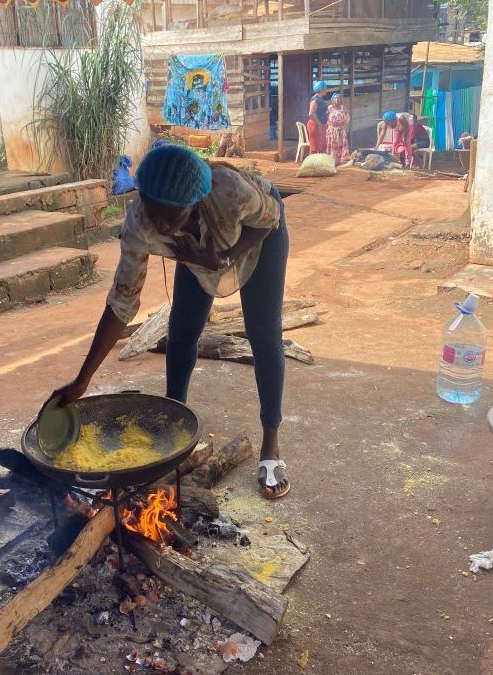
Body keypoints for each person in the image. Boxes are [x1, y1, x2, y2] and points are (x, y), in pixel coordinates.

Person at [48, 145, 291, 499]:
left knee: (263, 332)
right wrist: (82, 379)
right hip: (196, 251)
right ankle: (173, 433)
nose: (159, 224)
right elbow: (122, 301)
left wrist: (223, 257)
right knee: (180, 334)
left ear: (194, 202)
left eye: (169, 216)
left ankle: (271, 444)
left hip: (258, 237)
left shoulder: (228, 190)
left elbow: (270, 220)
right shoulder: (141, 220)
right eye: (153, 209)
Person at [325, 93, 350, 165]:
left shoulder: (343, 108)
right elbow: (325, 116)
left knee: (341, 144)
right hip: (332, 130)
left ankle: (339, 161)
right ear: (332, 100)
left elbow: (347, 117)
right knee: (333, 144)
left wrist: (344, 124)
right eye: (335, 98)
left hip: (341, 130)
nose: (337, 100)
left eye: (338, 98)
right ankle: (332, 160)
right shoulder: (330, 108)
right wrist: (330, 124)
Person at [306, 80, 328, 154]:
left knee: (321, 146)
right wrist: (319, 124)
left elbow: (319, 111)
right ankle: (312, 164)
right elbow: (311, 113)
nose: (326, 89)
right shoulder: (315, 99)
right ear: (321, 89)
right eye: (325, 88)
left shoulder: (319, 98)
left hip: (320, 125)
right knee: (315, 147)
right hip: (315, 125)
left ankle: (319, 164)